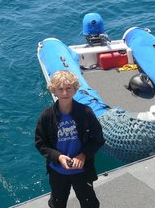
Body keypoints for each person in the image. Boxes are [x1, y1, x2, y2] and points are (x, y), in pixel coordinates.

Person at [35, 70, 105, 208]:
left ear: (75, 90)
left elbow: (98, 139)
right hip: (57, 171)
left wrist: (83, 155)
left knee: (89, 203)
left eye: (68, 89)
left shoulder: (86, 113)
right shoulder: (47, 116)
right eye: (60, 89)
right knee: (57, 203)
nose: (65, 93)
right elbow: (40, 143)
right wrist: (58, 157)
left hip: (82, 170)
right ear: (54, 91)